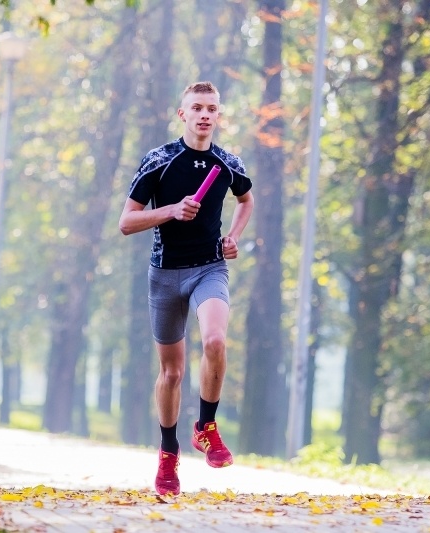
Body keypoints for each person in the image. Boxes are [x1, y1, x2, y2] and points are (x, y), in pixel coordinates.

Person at [118, 81, 254, 496]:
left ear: (218, 115)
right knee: (172, 373)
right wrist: (172, 211)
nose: (205, 115)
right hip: (164, 274)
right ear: (183, 114)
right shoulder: (159, 160)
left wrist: (233, 237)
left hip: (209, 268)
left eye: (212, 108)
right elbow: (126, 222)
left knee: (215, 340)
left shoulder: (227, 162)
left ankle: (206, 427)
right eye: (196, 107)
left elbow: (246, 200)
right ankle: (168, 454)